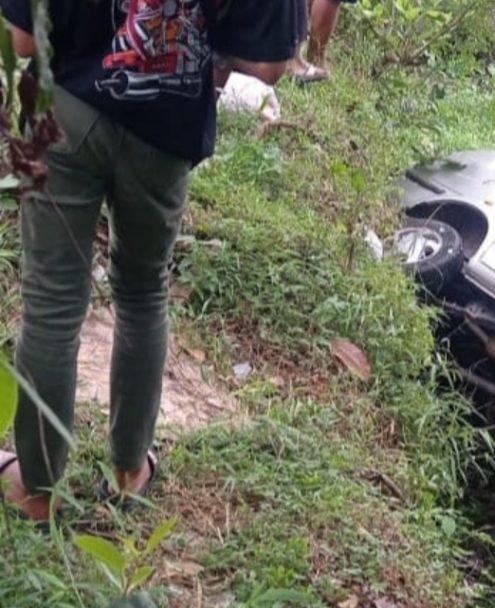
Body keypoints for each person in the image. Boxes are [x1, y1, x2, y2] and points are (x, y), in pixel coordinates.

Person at [0, 0, 296, 523]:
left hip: (63, 110)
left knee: (51, 303)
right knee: (142, 292)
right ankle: (129, 471)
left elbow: (21, 40)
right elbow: (268, 64)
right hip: (165, 130)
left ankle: (37, 492)